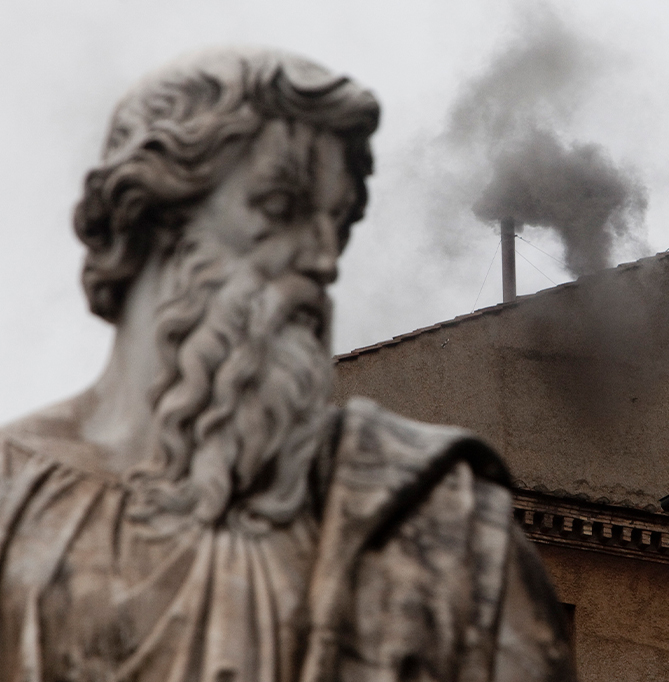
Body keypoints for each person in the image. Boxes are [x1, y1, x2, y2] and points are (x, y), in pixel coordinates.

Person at [0, 48, 574, 682]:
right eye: (281, 208)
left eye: (339, 224)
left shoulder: (444, 535)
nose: (325, 260)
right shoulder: (12, 500)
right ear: (151, 218)